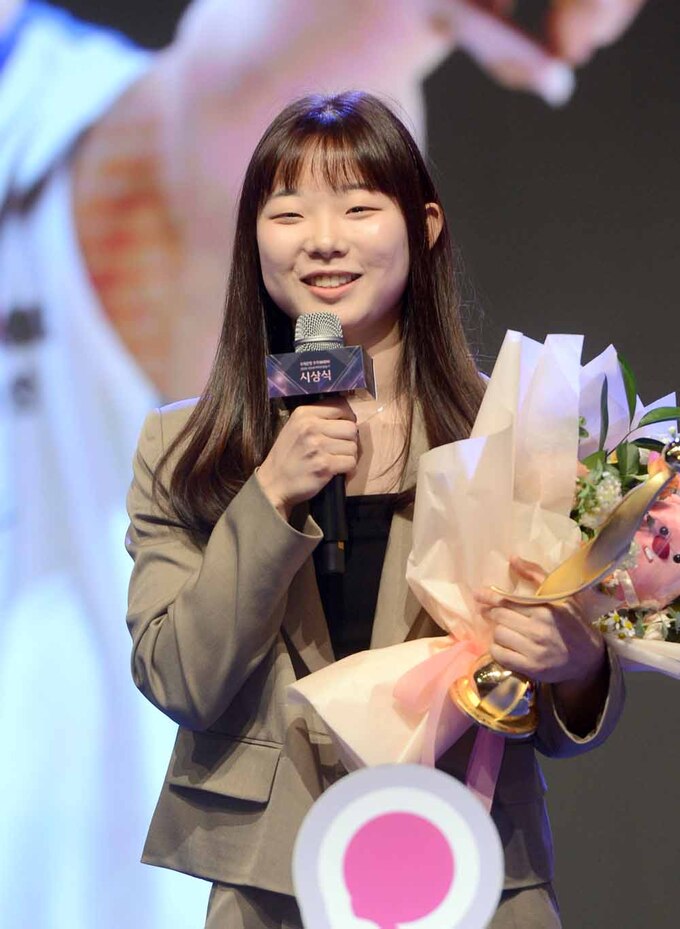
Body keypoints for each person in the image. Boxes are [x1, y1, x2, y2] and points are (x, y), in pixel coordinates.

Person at [125, 91, 624, 929]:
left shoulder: (509, 428)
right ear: (253, 236)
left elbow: (561, 713)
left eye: (358, 207)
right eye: (289, 212)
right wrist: (269, 496)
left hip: (472, 863)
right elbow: (181, 678)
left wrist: (575, 664)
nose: (323, 239)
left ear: (423, 226)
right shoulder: (185, 448)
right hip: (271, 880)